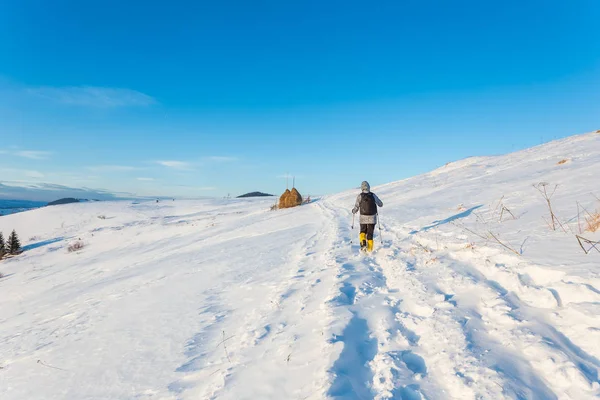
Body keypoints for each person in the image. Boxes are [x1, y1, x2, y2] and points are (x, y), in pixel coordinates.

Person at [352, 181, 383, 252]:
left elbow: (356, 206)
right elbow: (380, 204)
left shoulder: (360, 196)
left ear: (362, 188)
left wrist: (354, 211)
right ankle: (369, 250)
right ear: (369, 187)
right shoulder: (373, 195)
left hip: (363, 217)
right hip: (372, 217)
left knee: (363, 230)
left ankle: (363, 244)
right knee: (370, 233)